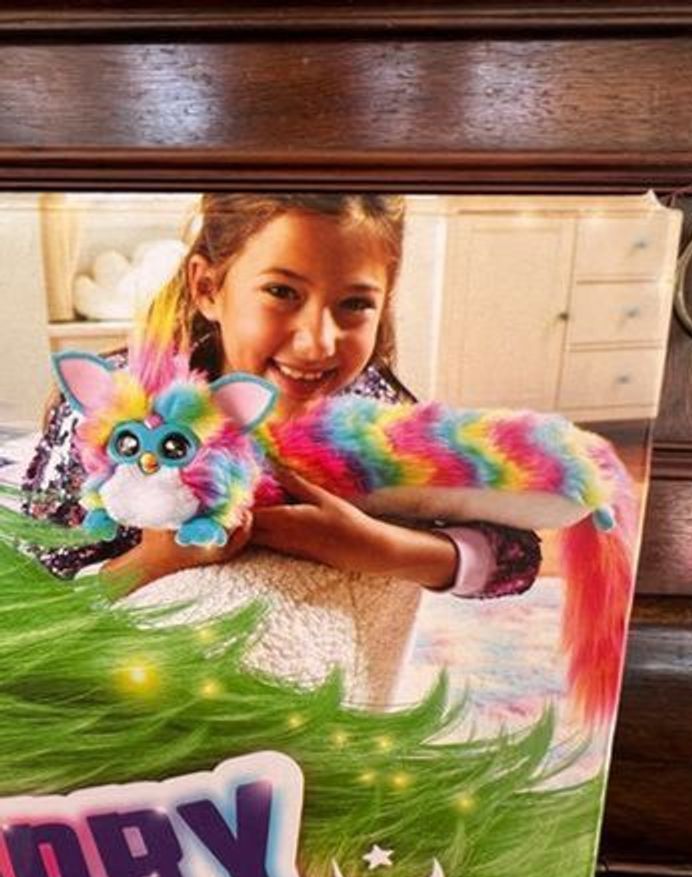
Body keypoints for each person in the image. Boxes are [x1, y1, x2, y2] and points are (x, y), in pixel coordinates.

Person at [23, 194, 541, 704]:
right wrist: (158, 558)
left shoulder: (372, 410)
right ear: (207, 288)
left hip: (309, 704)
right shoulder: (114, 411)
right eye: (281, 292)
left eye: (355, 304)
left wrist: (376, 548)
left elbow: (516, 557)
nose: (318, 343)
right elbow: (35, 607)